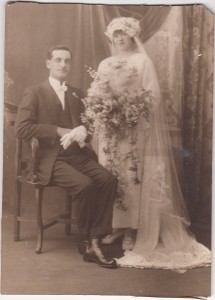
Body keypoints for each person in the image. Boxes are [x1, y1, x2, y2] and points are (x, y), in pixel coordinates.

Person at [84, 17, 211, 271]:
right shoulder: (106, 63)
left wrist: (130, 111)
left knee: (132, 178)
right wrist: (103, 110)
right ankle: (116, 226)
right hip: (110, 132)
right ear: (112, 37)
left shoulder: (142, 62)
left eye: (124, 34)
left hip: (133, 131)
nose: (120, 38)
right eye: (116, 34)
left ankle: (132, 229)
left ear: (132, 36)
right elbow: (97, 92)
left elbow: (152, 95)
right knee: (111, 176)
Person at [15, 45, 118, 269]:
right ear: (48, 63)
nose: (63, 64)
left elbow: (89, 123)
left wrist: (84, 130)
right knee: (85, 185)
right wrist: (57, 131)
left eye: (67, 61)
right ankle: (88, 241)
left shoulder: (76, 93)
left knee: (108, 180)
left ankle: (95, 238)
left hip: (77, 155)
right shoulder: (34, 92)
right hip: (50, 159)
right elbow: (21, 129)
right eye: (58, 60)